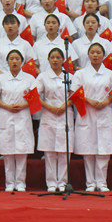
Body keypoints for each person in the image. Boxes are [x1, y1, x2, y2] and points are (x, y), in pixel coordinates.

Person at [0, 49, 36, 193]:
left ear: (22, 61)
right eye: (11, 59)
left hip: (23, 114)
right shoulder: (0, 78)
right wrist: (6, 106)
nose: (14, 61)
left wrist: (23, 105)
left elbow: (34, 96)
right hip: (6, 114)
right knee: (7, 150)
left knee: (22, 150)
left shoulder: (29, 78)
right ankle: (9, 183)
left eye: (17, 59)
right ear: (7, 62)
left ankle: (21, 183)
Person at [72, 42, 112, 192]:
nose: (95, 55)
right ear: (88, 55)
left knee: (104, 149)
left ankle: (102, 183)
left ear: (103, 55)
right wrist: (90, 101)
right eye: (93, 52)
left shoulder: (110, 74)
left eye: (98, 53)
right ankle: (90, 183)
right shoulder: (80, 74)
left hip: (104, 112)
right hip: (87, 112)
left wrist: (106, 102)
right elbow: (75, 93)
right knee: (88, 149)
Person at [37, 48, 73, 192]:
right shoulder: (42, 77)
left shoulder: (69, 76)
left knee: (64, 151)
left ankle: (63, 182)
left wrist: (65, 105)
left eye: (58, 57)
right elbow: (35, 95)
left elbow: (75, 95)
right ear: (48, 59)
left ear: (63, 60)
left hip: (65, 113)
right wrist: (49, 107)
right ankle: (51, 183)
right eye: (52, 57)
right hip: (49, 114)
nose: (55, 60)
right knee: (50, 151)